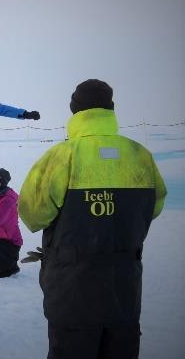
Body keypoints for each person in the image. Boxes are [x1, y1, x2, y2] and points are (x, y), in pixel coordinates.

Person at [17, 79, 167, 359]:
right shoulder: (140, 156)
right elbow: (154, 207)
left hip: (72, 292)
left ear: (74, 111)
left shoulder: (61, 156)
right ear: (111, 109)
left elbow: (32, 214)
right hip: (124, 292)